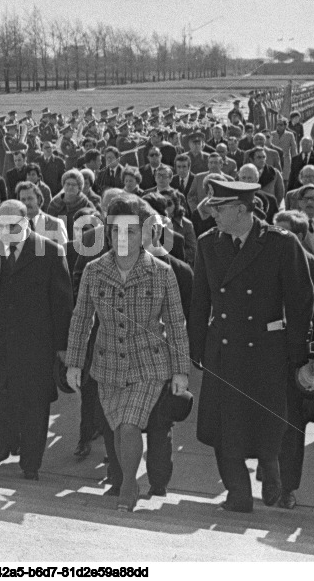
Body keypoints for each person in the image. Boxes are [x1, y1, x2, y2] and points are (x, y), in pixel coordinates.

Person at [189, 179, 314, 513]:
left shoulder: (280, 243)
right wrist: (197, 349)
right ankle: (238, 493)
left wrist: (297, 353)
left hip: (267, 351)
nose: (212, 213)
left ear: (242, 209)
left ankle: (271, 473)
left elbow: (301, 301)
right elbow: (200, 300)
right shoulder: (208, 243)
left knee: (269, 423)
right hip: (224, 349)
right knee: (224, 425)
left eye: (219, 208)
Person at [65, 194, 190, 512]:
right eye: (117, 231)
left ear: (143, 234)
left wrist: (180, 371)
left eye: (131, 231)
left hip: (148, 364)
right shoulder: (94, 271)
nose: (124, 238)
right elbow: (81, 319)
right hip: (107, 365)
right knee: (118, 427)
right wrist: (74, 363)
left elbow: (176, 324)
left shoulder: (161, 273)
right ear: (108, 234)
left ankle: (129, 486)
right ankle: (125, 479)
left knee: (130, 425)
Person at [0, 200, 73, 480]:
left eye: (12, 225)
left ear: (27, 222)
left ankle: (31, 461)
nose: (6, 230)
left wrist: (62, 347)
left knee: (34, 403)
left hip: (35, 345)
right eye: (1, 225)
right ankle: (1, 445)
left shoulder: (50, 251)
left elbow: (62, 303)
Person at [273, 210, 314, 509]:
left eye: (282, 234)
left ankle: (286, 487)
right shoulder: (261, 266)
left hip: (299, 364)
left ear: (300, 238)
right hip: (264, 359)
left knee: (291, 427)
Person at [16, 181, 67, 246]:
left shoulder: (56, 224)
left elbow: (64, 252)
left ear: (39, 199)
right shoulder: (15, 226)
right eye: (23, 200)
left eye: (30, 198)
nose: (26, 203)